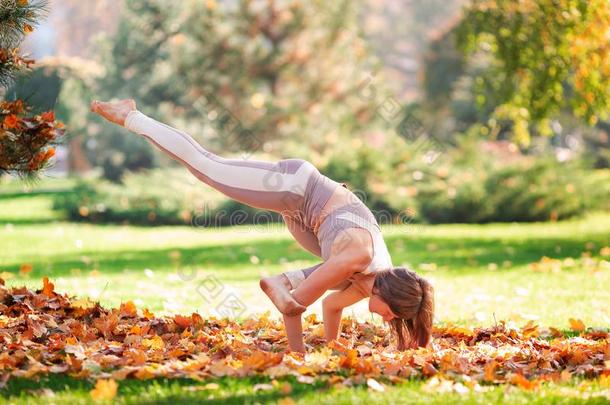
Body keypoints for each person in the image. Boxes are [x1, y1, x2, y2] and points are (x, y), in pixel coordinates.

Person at [90, 99, 435, 353]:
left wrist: (332, 349)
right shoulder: (356, 259)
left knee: (204, 169)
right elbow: (294, 306)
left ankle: (134, 116)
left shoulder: (369, 279)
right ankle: (131, 115)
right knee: (206, 165)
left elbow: (331, 306)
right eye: (393, 315)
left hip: (302, 210)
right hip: (295, 189)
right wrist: (297, 354)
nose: (389, 320)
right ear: (388, 294)